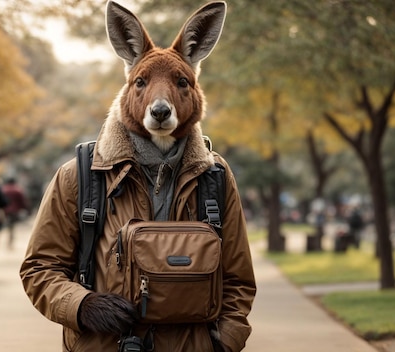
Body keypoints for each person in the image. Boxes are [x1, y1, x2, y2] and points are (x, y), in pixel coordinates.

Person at [20, 3, 255, 351]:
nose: (160, 102)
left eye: (179, 83)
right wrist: (83, 306)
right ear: (130, 88)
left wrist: (224, 342)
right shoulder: (82, 176)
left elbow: (237, 279)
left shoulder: (214, 176)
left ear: (193, 88)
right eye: (143, 82)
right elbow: (40, 268)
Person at [1, 177, 29, 249]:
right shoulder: (17, 190)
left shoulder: (4, 189)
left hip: (5, 211)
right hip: (14, 211)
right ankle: (11, 239)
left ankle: (9, 238)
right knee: (12, 226)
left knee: (8, 225)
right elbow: (22, 200)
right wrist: (24, 208)